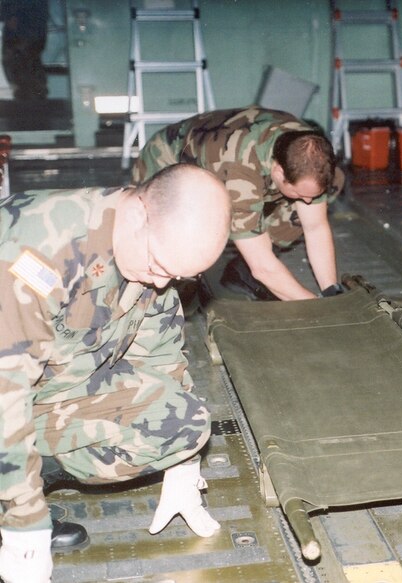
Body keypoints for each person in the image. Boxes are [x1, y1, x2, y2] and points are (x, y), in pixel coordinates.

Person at [0, 164, 232, 583]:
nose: (162, 282)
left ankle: (29, 473)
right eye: (159, 265)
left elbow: (159, 355)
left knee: (182, 422)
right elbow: (5, 395)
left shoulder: (151, 256)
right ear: (140, 211)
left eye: (178, 276)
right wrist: (25, 526)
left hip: (44, 388)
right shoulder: (34, 254)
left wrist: (183, 463)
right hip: (7, 390)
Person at [132, 106, 344, 301]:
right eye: (301, 194)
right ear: (279, 171)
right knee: (176, 246)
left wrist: (332, 291)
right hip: (168, 159)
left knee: (317, 195)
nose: (308, 201)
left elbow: (315, 227)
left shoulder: (311, 153)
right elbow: (263, 268)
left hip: (239, 156)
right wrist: (316, 307)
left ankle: (244, 266)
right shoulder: (239, 175)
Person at [0, 0, 49, 100]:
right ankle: (35, 94)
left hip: (19, 32)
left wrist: (10, 15)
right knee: (30, 61)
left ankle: (27, 95)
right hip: (33, 30)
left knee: (18, 62)